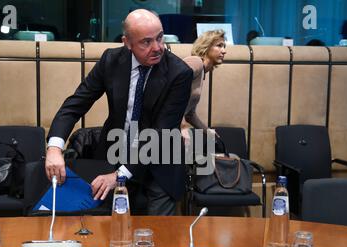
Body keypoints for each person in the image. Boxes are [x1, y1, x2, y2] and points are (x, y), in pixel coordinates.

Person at [45, 9, 193, 216]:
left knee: (159, 235)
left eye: (160, 38)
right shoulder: (111, 60)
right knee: (106, 230)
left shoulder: (180, 73)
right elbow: (76, 104)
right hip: (115, 153)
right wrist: (54, 147)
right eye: (146, 42)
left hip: (160, 163)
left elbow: (160, 133)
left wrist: (119, 176)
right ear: (127, 42)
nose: (157, 47)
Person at [181, 29, 227, 144]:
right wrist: (182, 127)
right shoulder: (195, 62)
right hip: (161, 127)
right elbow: (172, 91)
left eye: (224, 46)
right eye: (219, 46)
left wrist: (207, 131)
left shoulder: (201, 72)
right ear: (206, 47)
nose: (224, 51)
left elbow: (190, 114)